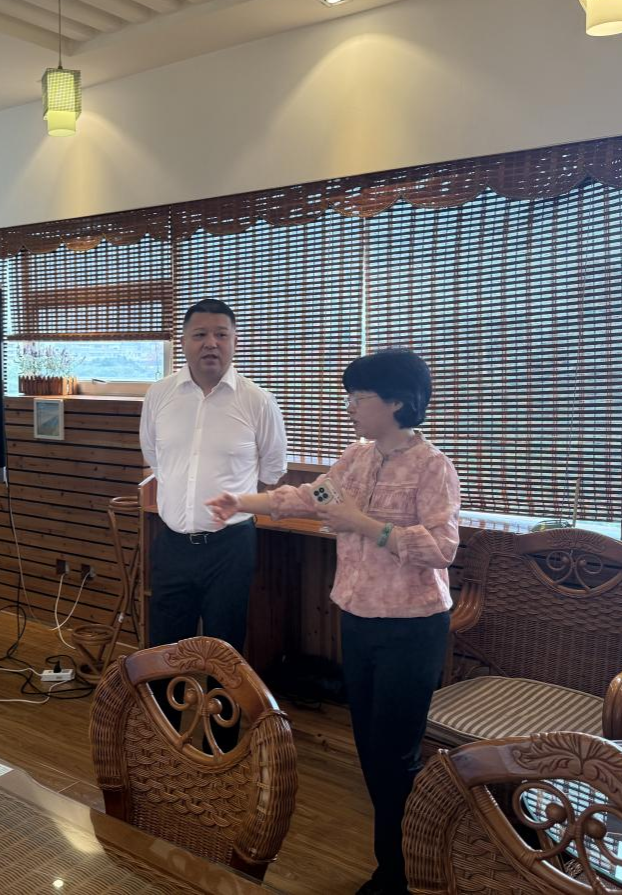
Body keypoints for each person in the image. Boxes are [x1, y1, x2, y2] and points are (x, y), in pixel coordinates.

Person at [206, 349, 459, 895]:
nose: (349, 407)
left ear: (396, 403)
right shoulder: (357, 457)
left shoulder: (432, 466)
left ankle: (402, 873)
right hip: (358, 620)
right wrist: (242, 501)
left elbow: (442, 548)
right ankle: (401, 862)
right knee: (371, 751)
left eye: (359, 398)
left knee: (394, 756)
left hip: (412, 627)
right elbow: (311, 496)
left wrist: (364, 524)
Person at [139, 298, 287, 660]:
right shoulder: (159, 395)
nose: (211, 343)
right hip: (172, 543)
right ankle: (166, 703)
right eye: (200, 335)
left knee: (225, 649)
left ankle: (221, 702)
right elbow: (155, 457)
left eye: (221, 334)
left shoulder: (258, 401)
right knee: (164, 648)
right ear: (183, 342)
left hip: (230, 548)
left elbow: (272, 469)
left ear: (235, 341)